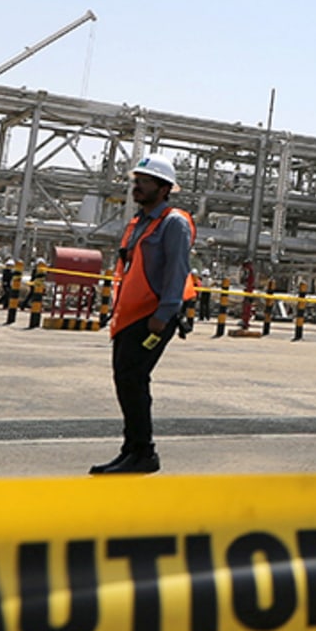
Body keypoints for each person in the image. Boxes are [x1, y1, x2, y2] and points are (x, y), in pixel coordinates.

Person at [93, 154, 196, 475]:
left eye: (145, 182)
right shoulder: (140, 222)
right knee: (125, 380)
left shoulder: (173, 223)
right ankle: (131, 450)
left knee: (134, 379)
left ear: (164, 188)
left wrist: (164, 315)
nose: (137, 187)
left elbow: (177, 272)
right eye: (136, 181)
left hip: (154, 316)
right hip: (130, 315)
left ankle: (144, 453)